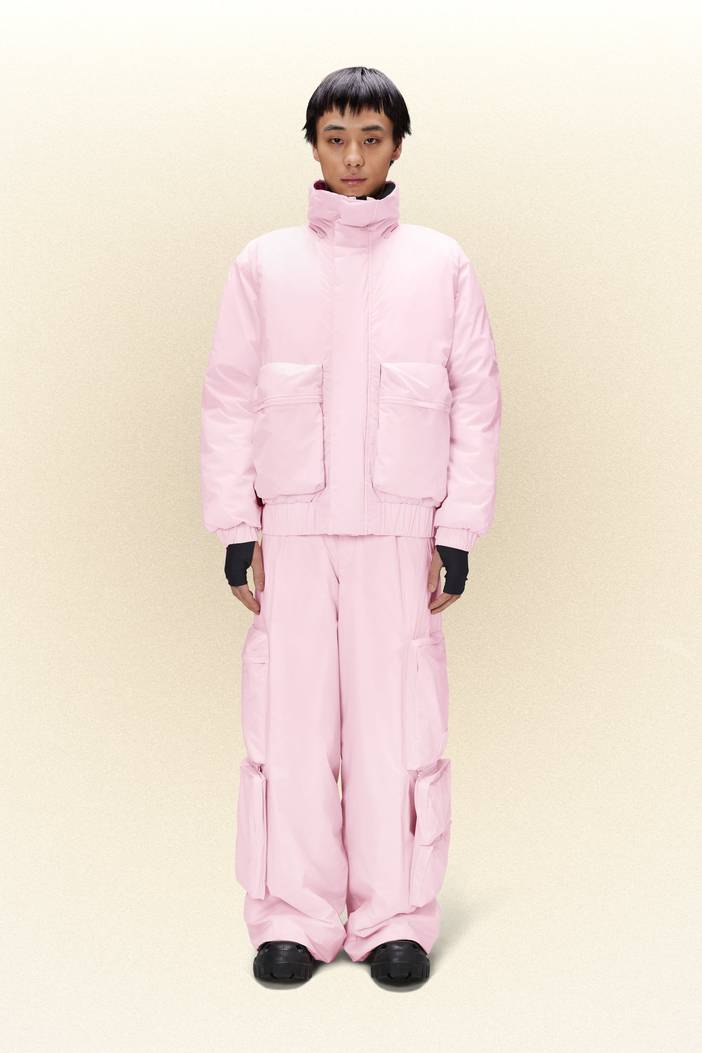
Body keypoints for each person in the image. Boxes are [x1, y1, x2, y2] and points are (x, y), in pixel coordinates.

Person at [199, 65, 502, 988]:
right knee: (290, 727)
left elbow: (476, 401)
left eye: (372, 138)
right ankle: (293, 916)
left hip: (400, 534)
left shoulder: (441, 264)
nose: (354, 156)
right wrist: (237, 524)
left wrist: (456, 532)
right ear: (314, 145)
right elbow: (230, 396)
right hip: (293, 530)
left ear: (398, 146)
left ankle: (395, 916)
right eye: (336, 138)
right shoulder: (264, 264)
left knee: (394, 728)